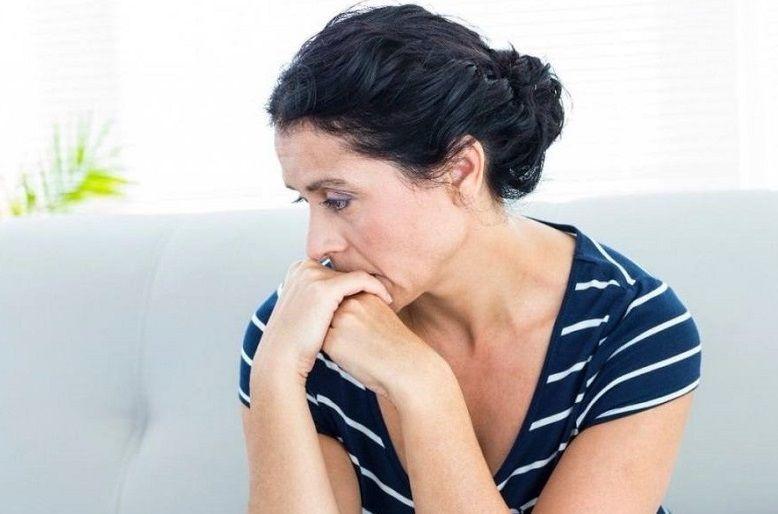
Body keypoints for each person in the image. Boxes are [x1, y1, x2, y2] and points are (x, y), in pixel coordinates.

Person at [238, 3, 702, 513]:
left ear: (460, 171)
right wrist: (276, 371)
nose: (316, 247)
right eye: (305, 200)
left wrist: (424, 388)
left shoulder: (631, 326)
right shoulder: (299, 327)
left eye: (338, 200)